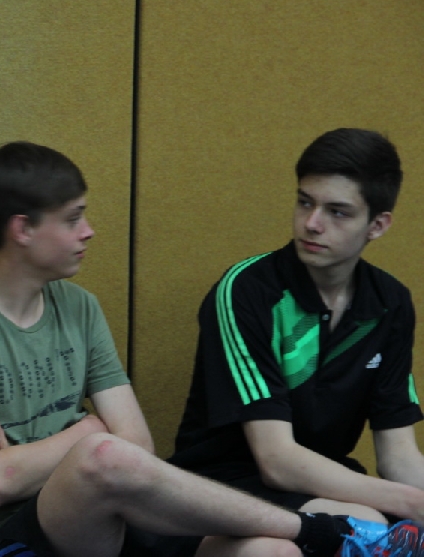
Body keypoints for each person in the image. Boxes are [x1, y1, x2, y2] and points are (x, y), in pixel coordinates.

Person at [0, 140, 424, 557]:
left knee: (272, 550)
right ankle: (317, 532)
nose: (89, 231)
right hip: (19, 536)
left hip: (116, 516)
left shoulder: (79, 306)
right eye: (73, 218)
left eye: (336, 211)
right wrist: (88, 429)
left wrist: (42, 452)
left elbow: (138, 441)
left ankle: (318, 534)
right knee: (101, 452)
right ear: (23, 229)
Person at [169, 128, 424, 528]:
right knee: (370, 522)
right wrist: (409, 502)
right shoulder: (246, 290)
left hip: (326, 483)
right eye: (305, 202)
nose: (312, 223)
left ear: (377, 225)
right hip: (223, 483)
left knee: (387, 521)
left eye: (337, 212)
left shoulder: (389, 302)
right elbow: (276, 461)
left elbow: (399, 456)